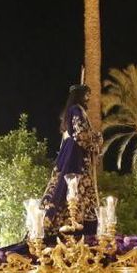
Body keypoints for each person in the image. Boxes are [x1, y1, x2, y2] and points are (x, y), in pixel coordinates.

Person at [39, 84, 101, 237]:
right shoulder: (77, 109)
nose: (88, 98)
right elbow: (80, 134)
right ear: (79, 95)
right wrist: (97, 139)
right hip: (75, 154)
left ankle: (73, 220)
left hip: (73, 151)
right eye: (86, 94)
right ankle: (72, 223)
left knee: (72, 185)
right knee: (70, 182)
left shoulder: (72, 110)